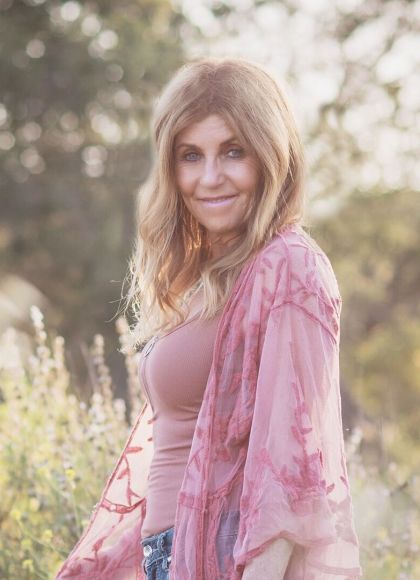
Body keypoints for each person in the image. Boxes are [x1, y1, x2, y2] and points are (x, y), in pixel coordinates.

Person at [55, 57, 362, 579]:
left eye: (233, 152)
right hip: (169, 556)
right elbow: (180, 448)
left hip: (219, 558)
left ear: (271, 155)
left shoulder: (289, 268)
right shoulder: (211, 276)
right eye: (190, 156)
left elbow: (291, 478)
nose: (210, 177)